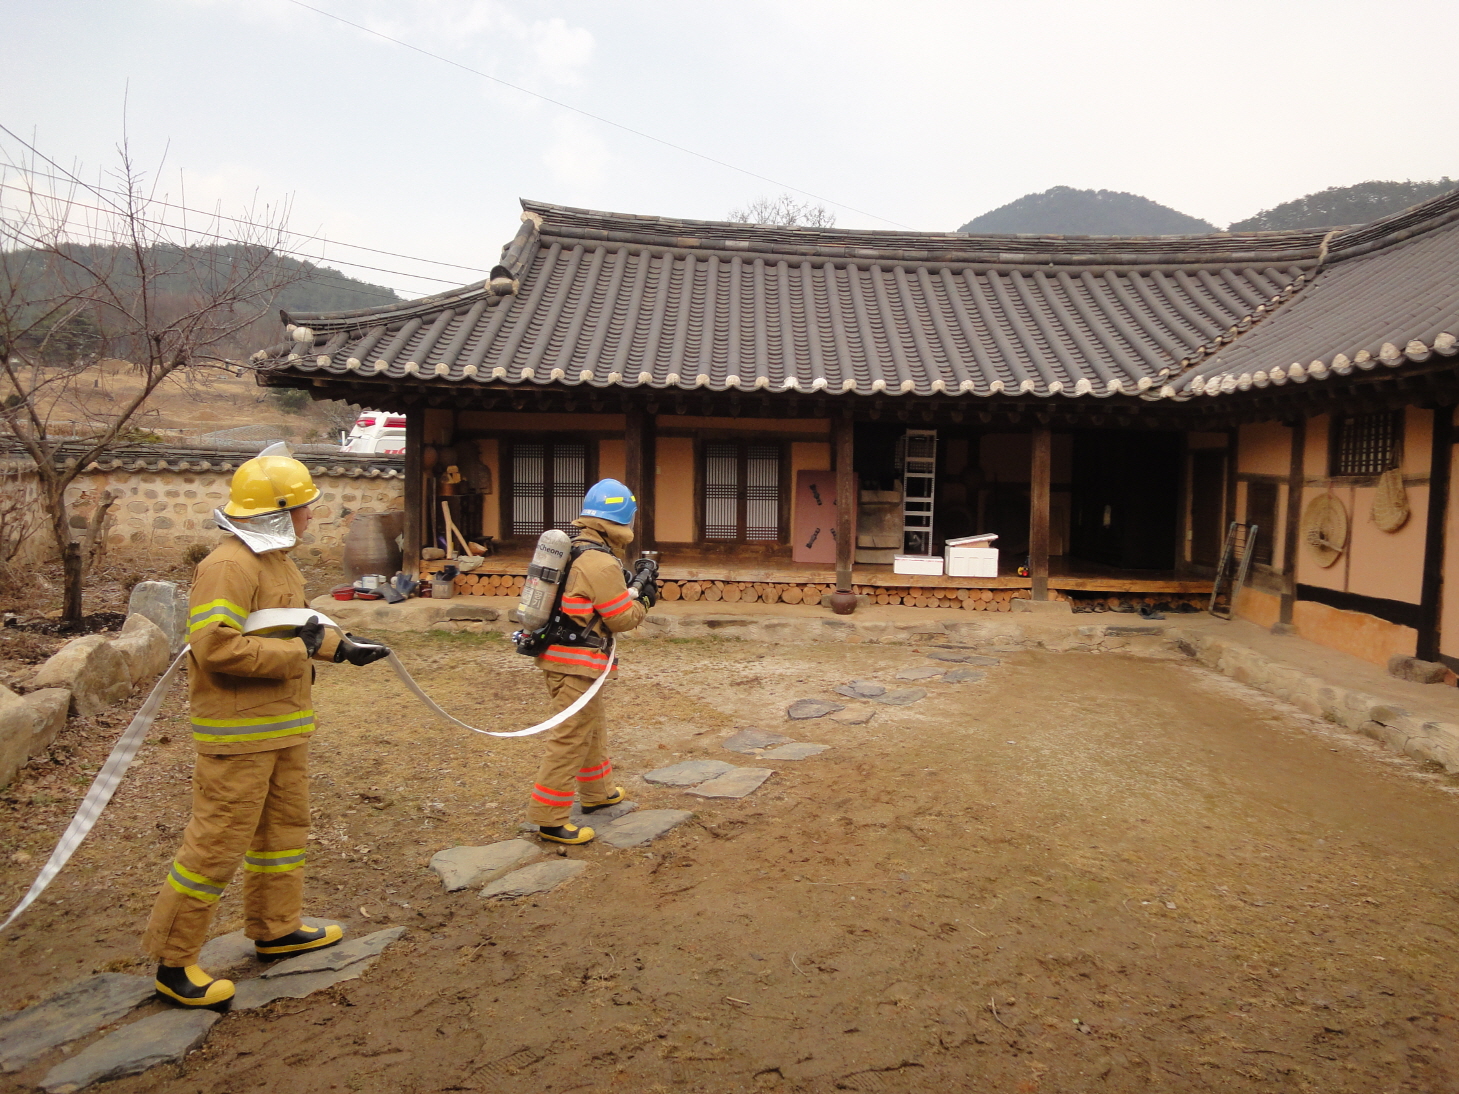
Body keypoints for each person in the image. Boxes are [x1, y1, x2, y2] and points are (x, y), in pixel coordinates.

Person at [143, 446, 391, 1008]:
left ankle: (276, 928)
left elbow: (289, 628)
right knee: (217, 843)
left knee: (282, 833)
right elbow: (215, 648)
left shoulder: (276, 559)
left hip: (284, 725)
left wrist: (340, 647)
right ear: (277, 511)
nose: (312, 514)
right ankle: (174, 962)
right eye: (304, 506)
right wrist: (300, 653)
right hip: (239, 735)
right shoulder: (228, 567)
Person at [527, 479, 653, 845]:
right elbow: (621, 618)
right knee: (569, 738)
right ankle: (550, 820)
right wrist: (645, 600)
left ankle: (598, 793)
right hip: (576, 664)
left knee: (591, 726)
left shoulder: (577, 548)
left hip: (564, 659)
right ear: (623, 519)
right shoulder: (599, 562)